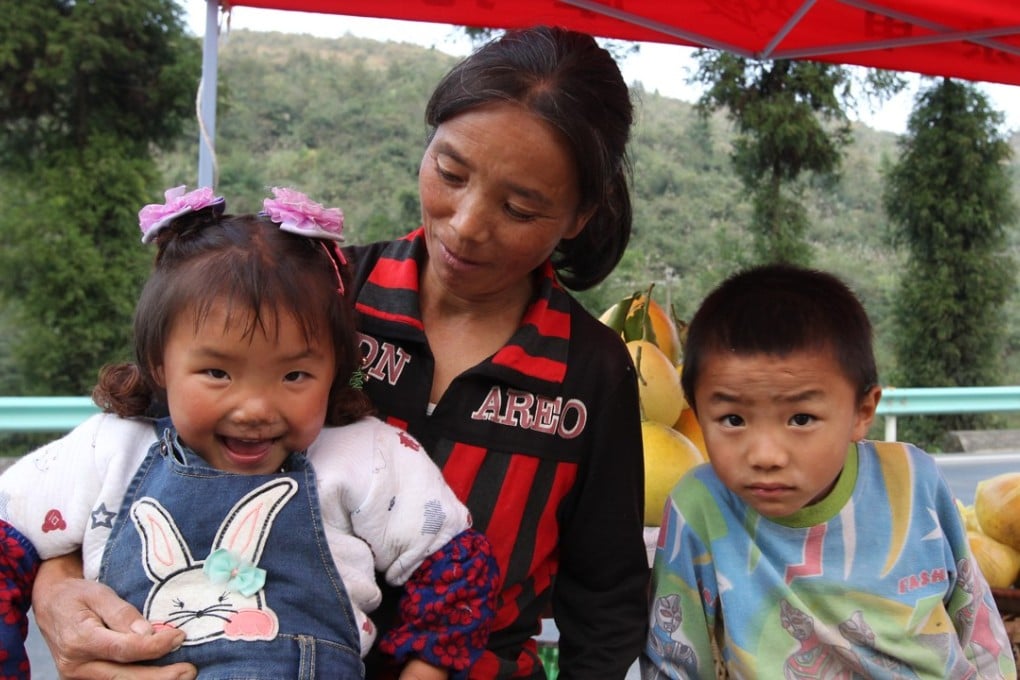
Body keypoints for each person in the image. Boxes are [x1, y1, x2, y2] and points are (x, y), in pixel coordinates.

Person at [31, 25, 649, 680]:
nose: (467, 224)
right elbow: (128, 450)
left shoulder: (589, 371)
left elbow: (605, 599)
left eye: (521, 208)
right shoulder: (321, 293)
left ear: (579, 215)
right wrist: (58, 589)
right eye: (450, 172)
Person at [0, 186, 500, 679]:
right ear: (159, 363)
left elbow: (457, 568)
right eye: (218, 373)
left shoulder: (367, 456)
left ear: (336, 370)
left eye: (294, 376)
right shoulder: (109, 448)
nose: (256, 409)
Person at [640, 263, 1016, 679]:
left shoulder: (912, 481)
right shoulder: (699, 507)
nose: (766, 455)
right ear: (696, 409)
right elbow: (673, 662)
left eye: (801, 419)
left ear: (862, 412)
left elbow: (977, 625)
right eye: (732, 419)